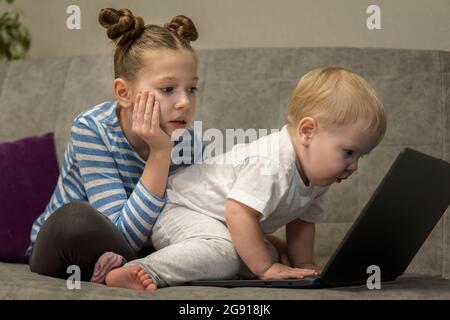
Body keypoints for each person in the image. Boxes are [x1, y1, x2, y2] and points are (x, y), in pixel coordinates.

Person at [103, 66, 387, 292]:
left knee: (271, 256)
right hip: (179, 209)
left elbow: (302, 221)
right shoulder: (271, 162)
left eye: (360, 156)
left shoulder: (319, 176)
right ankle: (140, 269)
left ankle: (225, 260)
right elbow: (238, 212)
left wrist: (304, 265)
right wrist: (265, 269)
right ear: (308, 132)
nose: (353, 167)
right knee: (229, 256)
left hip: (219, 221)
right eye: (348, 152)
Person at [28, 7, 201, 283]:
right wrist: (160, 151)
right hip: (64, 250)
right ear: (124, 93)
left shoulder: (188, 139)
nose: (184, 102)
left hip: (140, 247)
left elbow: (190, 214)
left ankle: (123, 271)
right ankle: (134, 267)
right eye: (168, 89)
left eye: (191, 88)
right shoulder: (92, 128)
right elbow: (123, 236)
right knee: (75, 220)